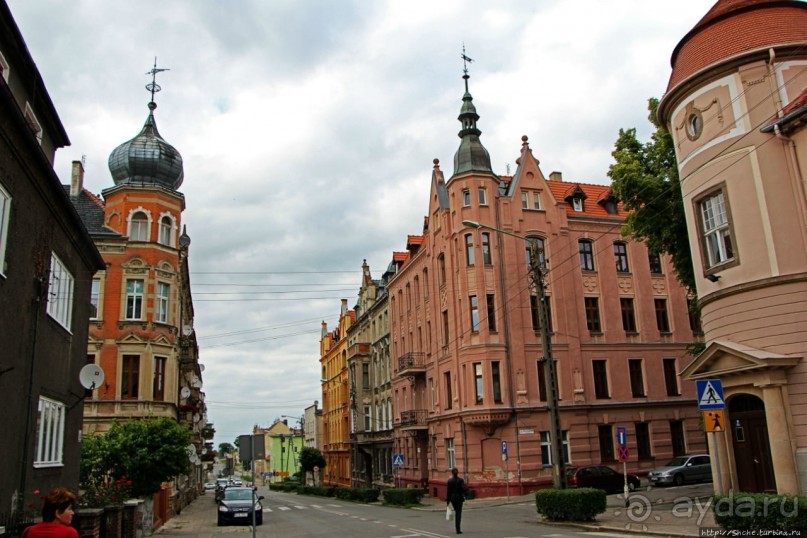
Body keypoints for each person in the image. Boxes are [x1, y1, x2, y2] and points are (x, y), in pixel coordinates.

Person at [445, 467, 467, 534]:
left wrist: (448, 501)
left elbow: (448, 492)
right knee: (458, 513)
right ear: (457, 473)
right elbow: (463, 489)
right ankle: (458, 529)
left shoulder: (450, 481)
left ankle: (457, 528)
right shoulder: (460, 480)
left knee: (456, 511)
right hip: (459, 498)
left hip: (452, 499)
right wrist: (466, 490)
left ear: (452, 473)